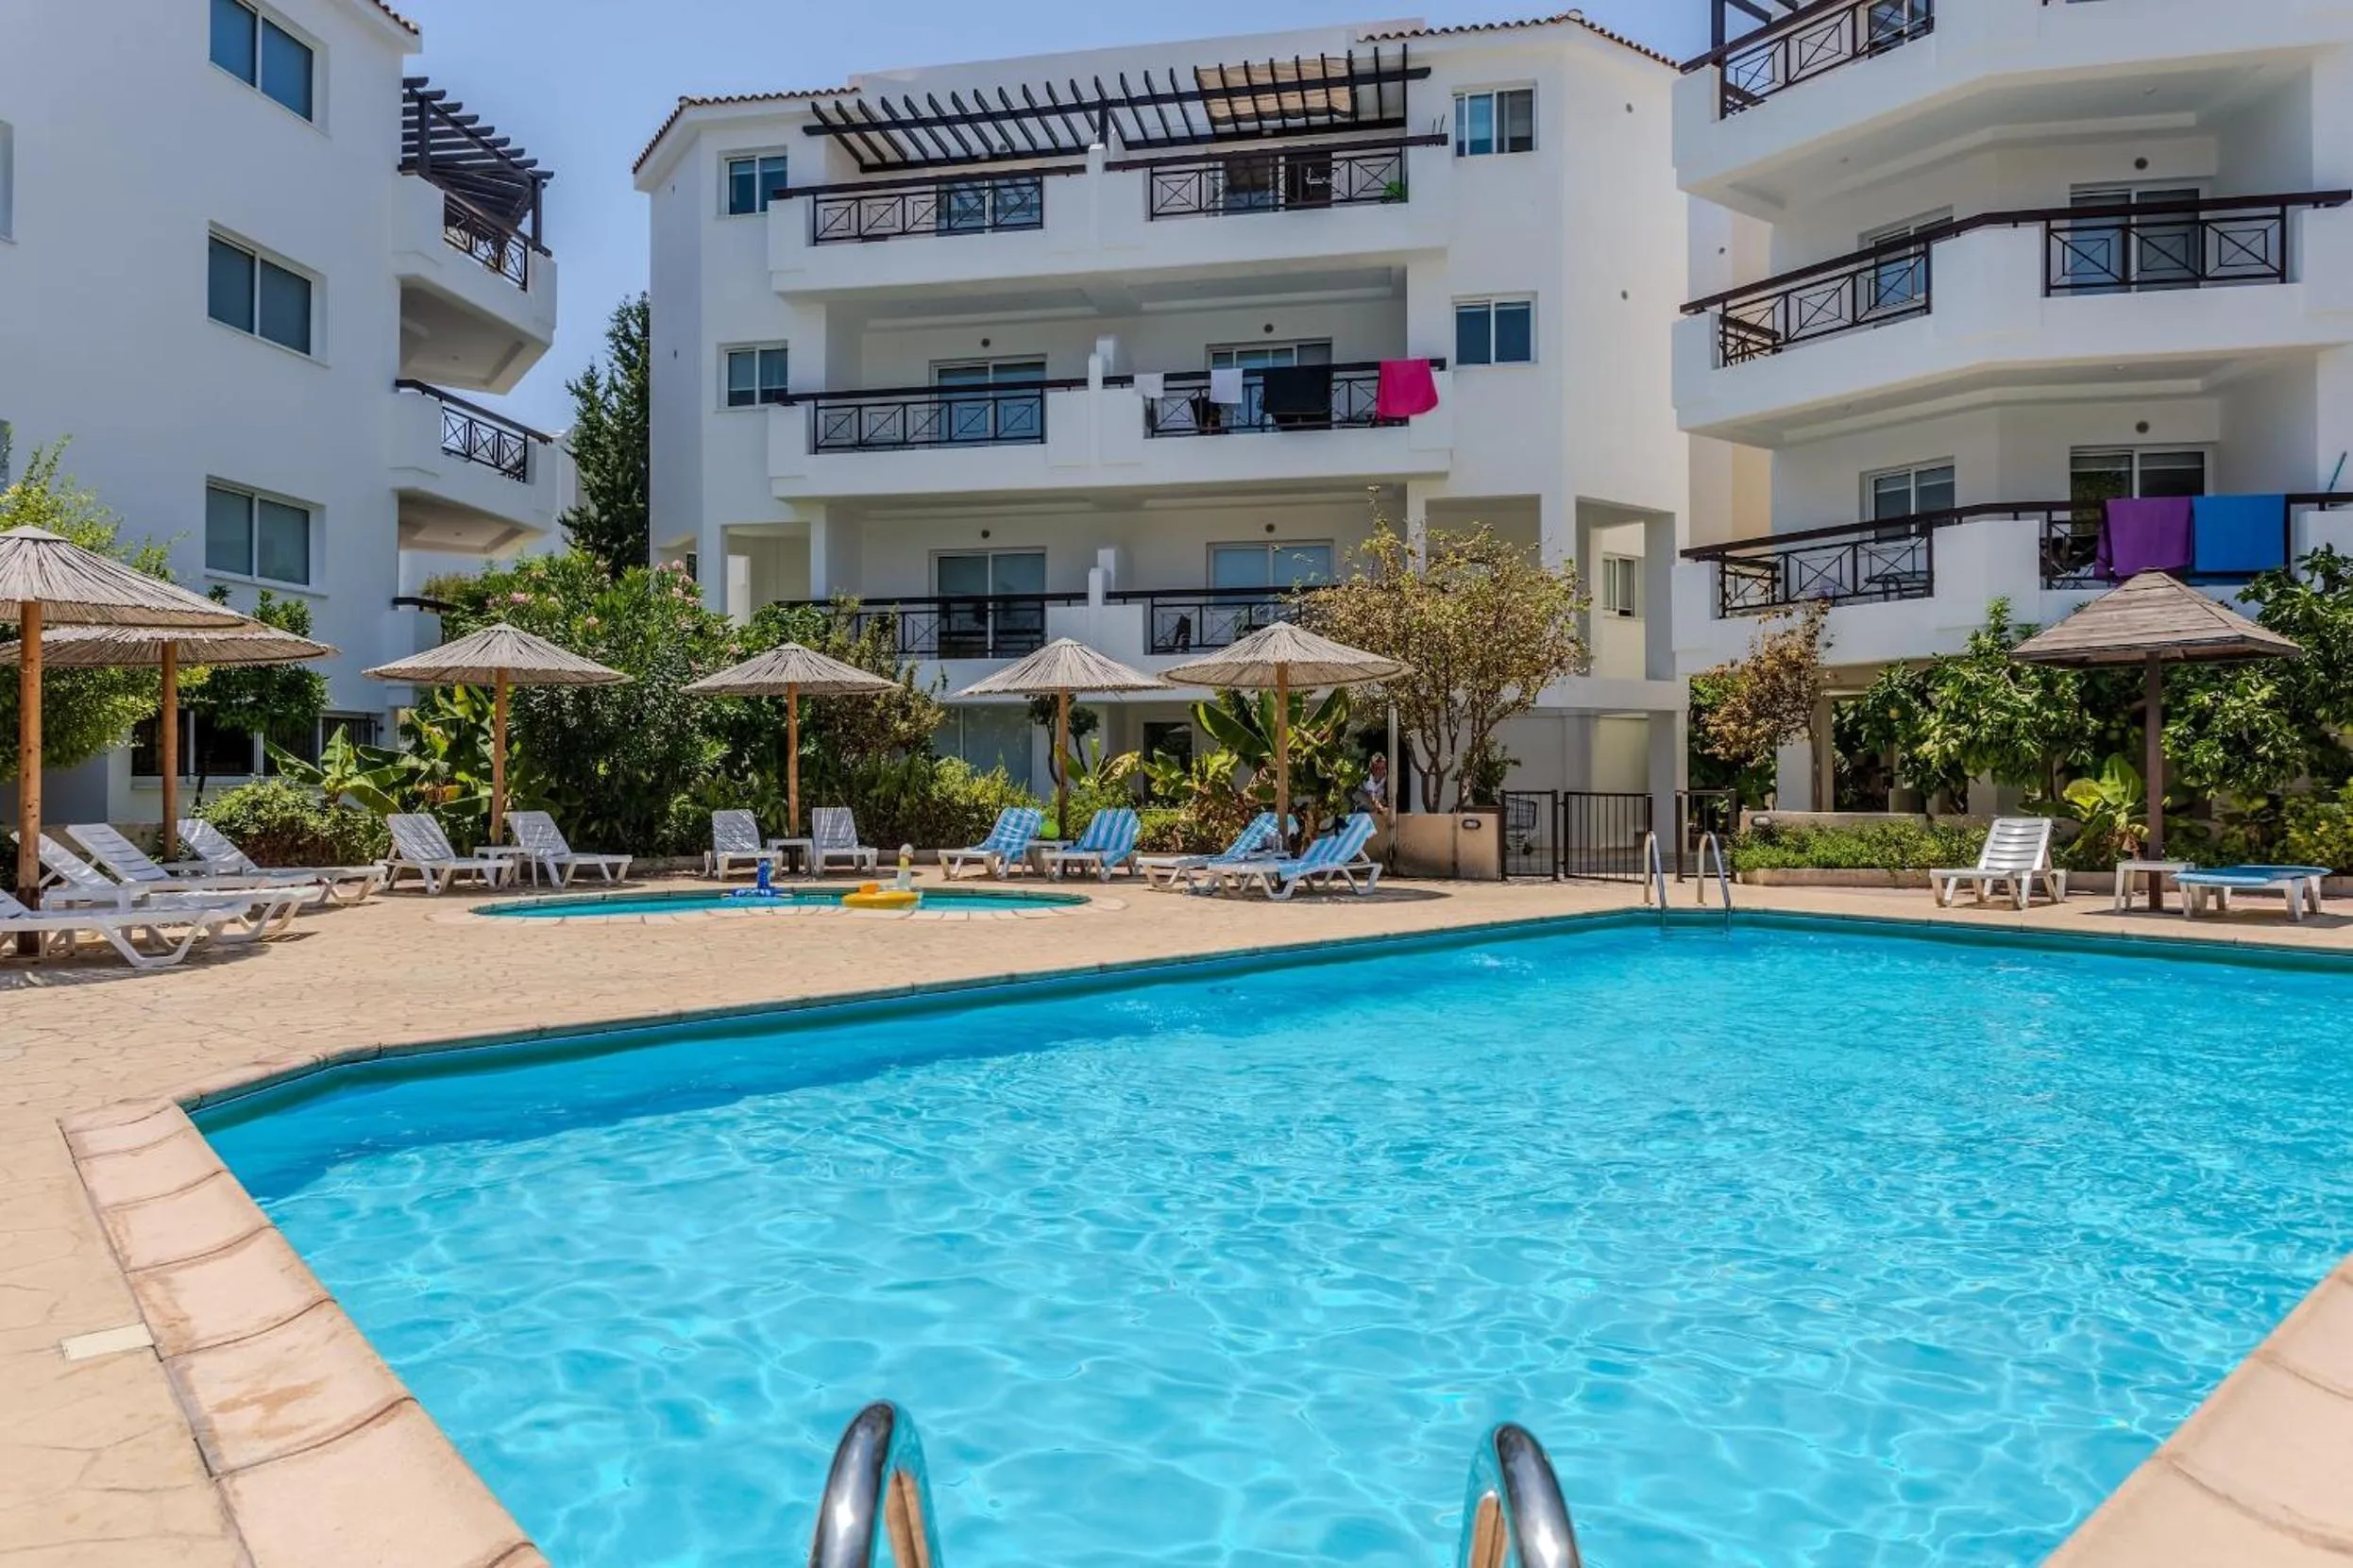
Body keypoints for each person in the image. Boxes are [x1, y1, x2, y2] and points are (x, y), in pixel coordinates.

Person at [1357, 754, 1390, 818]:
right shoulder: (1368, 779)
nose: (1379, 771)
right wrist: (1382, 809)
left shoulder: (1385, 774)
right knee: (1372, 808)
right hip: (1362, 796)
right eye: (1376, 768)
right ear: (1371, 769)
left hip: (1376, 794)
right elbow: (1373, 799)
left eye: (1382, 768)